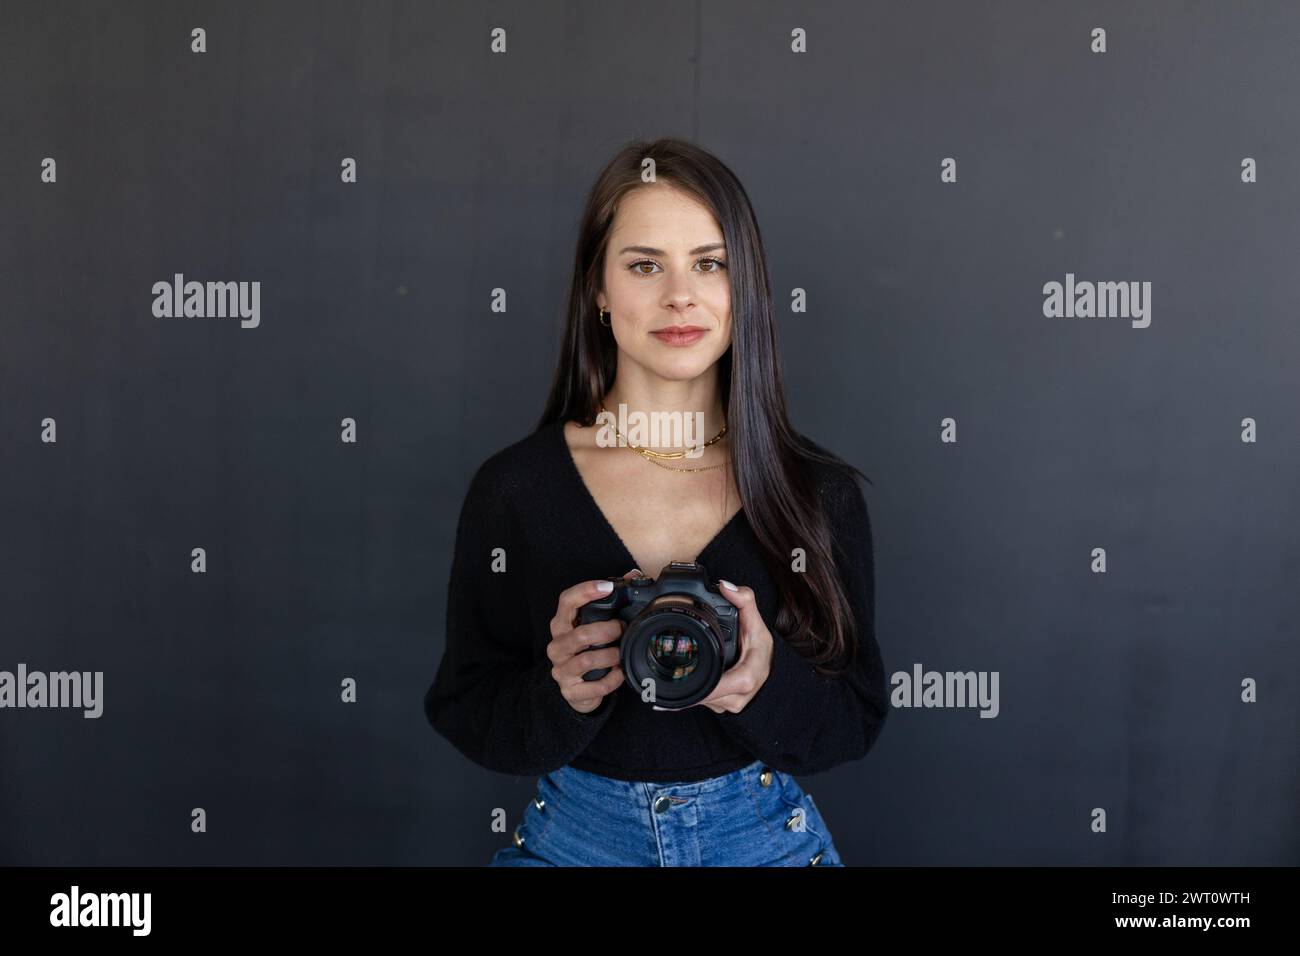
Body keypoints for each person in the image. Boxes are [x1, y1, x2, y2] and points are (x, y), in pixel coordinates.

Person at [423, 137, 888, 866]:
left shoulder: (816, 495)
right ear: (598, 291)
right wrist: (558, 695)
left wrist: (764, 686)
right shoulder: (515, 490)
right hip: (572, 845)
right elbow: (465, 708)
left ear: (747, 289)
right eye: (645, 265)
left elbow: (855, 720)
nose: (681, 296)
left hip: (764, 847)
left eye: (711, 263)